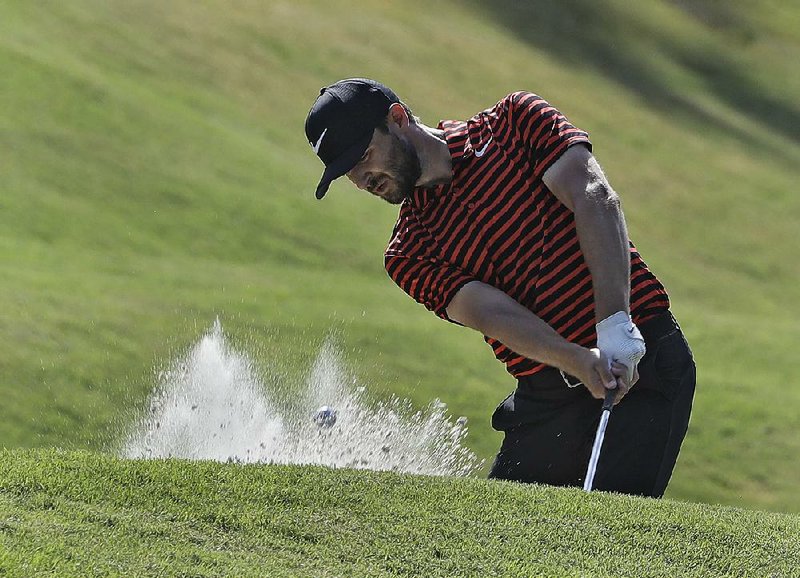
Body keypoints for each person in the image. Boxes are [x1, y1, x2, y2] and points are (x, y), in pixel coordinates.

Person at [304, 78, 696, 497]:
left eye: (365, 156)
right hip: (548, 397)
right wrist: (577, 359)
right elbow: (491, 313)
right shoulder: (408, 253)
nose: (364, 179)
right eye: (350, 172)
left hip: (640, 364)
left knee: (609, 543)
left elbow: (593, 196)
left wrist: (614, 324)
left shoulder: (514, 123)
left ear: (398, 119)